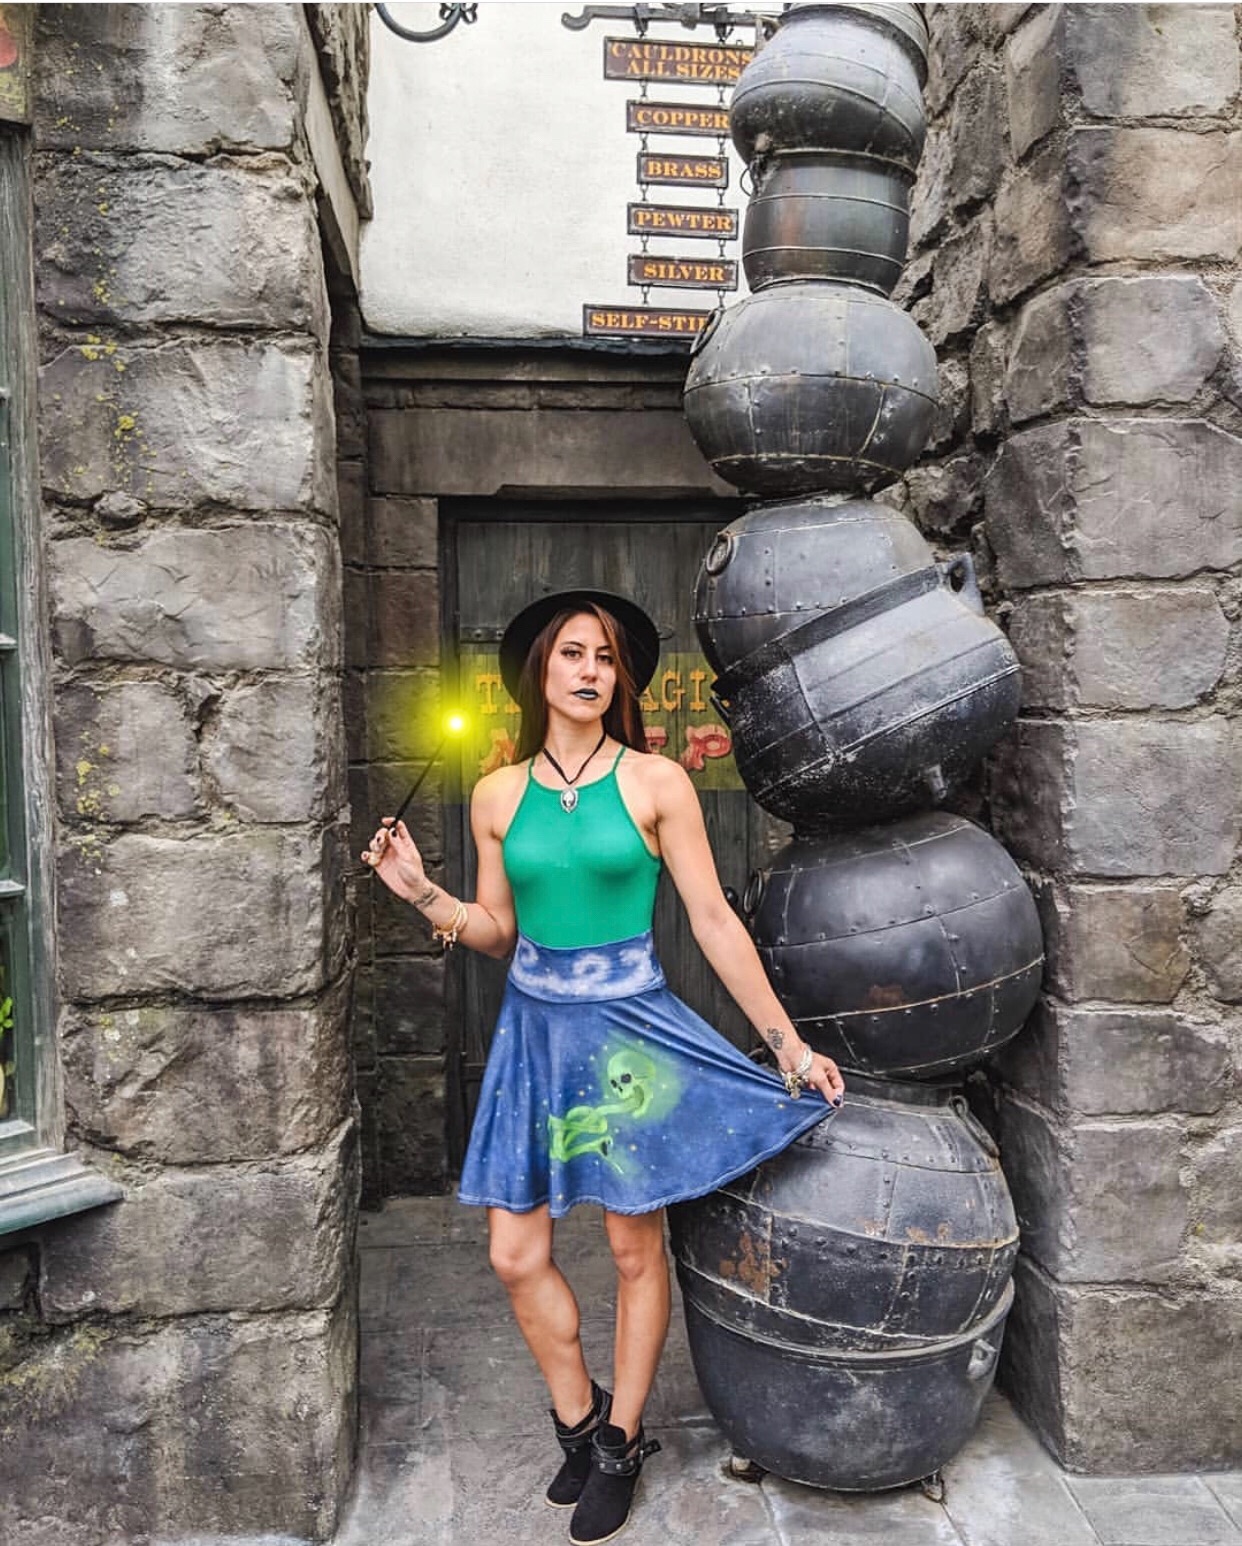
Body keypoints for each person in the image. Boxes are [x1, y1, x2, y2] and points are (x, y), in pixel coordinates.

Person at [363, 590, 844, 1546]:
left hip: (630, 1039)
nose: (590, 671)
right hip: (533, 1038)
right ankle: (577, 1422)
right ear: (539, 670)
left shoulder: (657, 781)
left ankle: (621, 1444)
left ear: (620, 679)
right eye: (573, 653)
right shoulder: (497, 794)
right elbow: (498, 932)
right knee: (515, 1254)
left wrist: (789, 1042)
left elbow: (712, 921)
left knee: (632, 1250)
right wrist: (422, 894)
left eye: (607, 658)